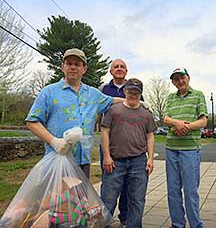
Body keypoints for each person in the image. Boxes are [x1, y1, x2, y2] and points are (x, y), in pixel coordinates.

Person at [25, 48, 124, 179]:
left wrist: (137, 103)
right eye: (69, 63)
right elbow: (32, 122)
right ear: (62, 66)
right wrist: (54, 141)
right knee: (58, 199)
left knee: (80, 199)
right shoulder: (49, 92)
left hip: (83, 161)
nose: (73, 67)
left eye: (77, 64)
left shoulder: (93, 94)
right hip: (58, 160)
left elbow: (112, 101)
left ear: (84, 69)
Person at [100, 78, 156, 228]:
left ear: (141, 94)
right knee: (108, 199)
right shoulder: (114, 110)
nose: (133, 95)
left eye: (136, 92)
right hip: (115, 162)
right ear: (125, 91)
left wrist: (150, 158)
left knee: (137, 200)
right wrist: (106, 156)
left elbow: (150, 136)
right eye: (130, 91)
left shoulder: (146, 114)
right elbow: (104, 132)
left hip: (139, 162)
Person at [99, 58, 144, 226]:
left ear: (126, 71)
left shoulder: (133, 88)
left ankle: (125, 217)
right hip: (109, 145)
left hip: (130, 144)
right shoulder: (104, 89)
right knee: (109, 184)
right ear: (111, 71)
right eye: (116, 67)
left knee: (128, 185)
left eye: (122, 67)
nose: (119, 69)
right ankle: (105, 219)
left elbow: (141, 108)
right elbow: (99, 111)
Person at [163, 68, 208, 228]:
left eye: (182, 77)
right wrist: (177, 123)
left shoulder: (198, 95)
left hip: (190, 149)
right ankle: (177, 224)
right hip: (171, 148)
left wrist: (186, 127)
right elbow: (166, 119)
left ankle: (196, 225)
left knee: (190, 191)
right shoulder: (170, 97)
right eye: (176, 79)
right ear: (173, 82)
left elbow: (203, 122)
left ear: (188, 78)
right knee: (173, 191)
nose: (180, 81)